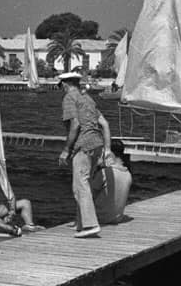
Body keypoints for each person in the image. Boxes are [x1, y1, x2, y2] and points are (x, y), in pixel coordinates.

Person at [57, 71, 113, 238]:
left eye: (60, 85)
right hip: (97, 145)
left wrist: (66, 150)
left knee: (81, 185)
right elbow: (105, 124)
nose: (61, 88)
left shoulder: (69, 98)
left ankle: (90, 225)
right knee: (81, 185)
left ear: (65, 84)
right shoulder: (88, 99)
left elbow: (75, 124)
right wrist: (108, 149)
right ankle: (80, 223)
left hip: (83, 146)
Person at [91, 139, 132, 225]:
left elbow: (90, 194)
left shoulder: (104, 173)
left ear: (110, 153)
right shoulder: (128, 174)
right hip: (117, 218)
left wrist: (96, 169)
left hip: (100, 218)